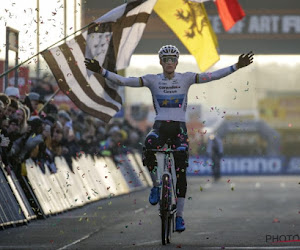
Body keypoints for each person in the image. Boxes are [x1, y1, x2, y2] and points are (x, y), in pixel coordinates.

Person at [84, 45, 254, 232]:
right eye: (166, 59)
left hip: (179, 129)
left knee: (180, 172)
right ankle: (156, 186)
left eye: (173, 59)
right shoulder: (152, 80)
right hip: (160, 127)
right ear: (161, 62)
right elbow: (124, 81)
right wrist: (101, 71)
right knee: (148, 144)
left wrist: (236, 66)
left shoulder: (186, 78)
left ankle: (180, 216)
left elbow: (212, 76)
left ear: (177, 62)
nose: (170, 63)